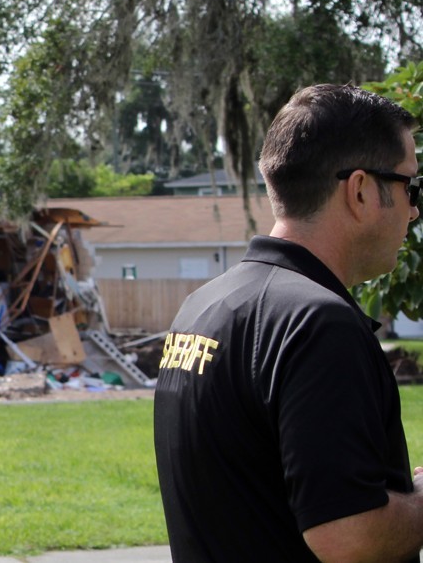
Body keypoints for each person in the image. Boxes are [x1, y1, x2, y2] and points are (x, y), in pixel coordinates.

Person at [154, 83, 423, 563]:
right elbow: (348, 537)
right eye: (411, 186)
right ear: (360, 190)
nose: (415, 209)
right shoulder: (319, 323)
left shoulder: (203, 306)